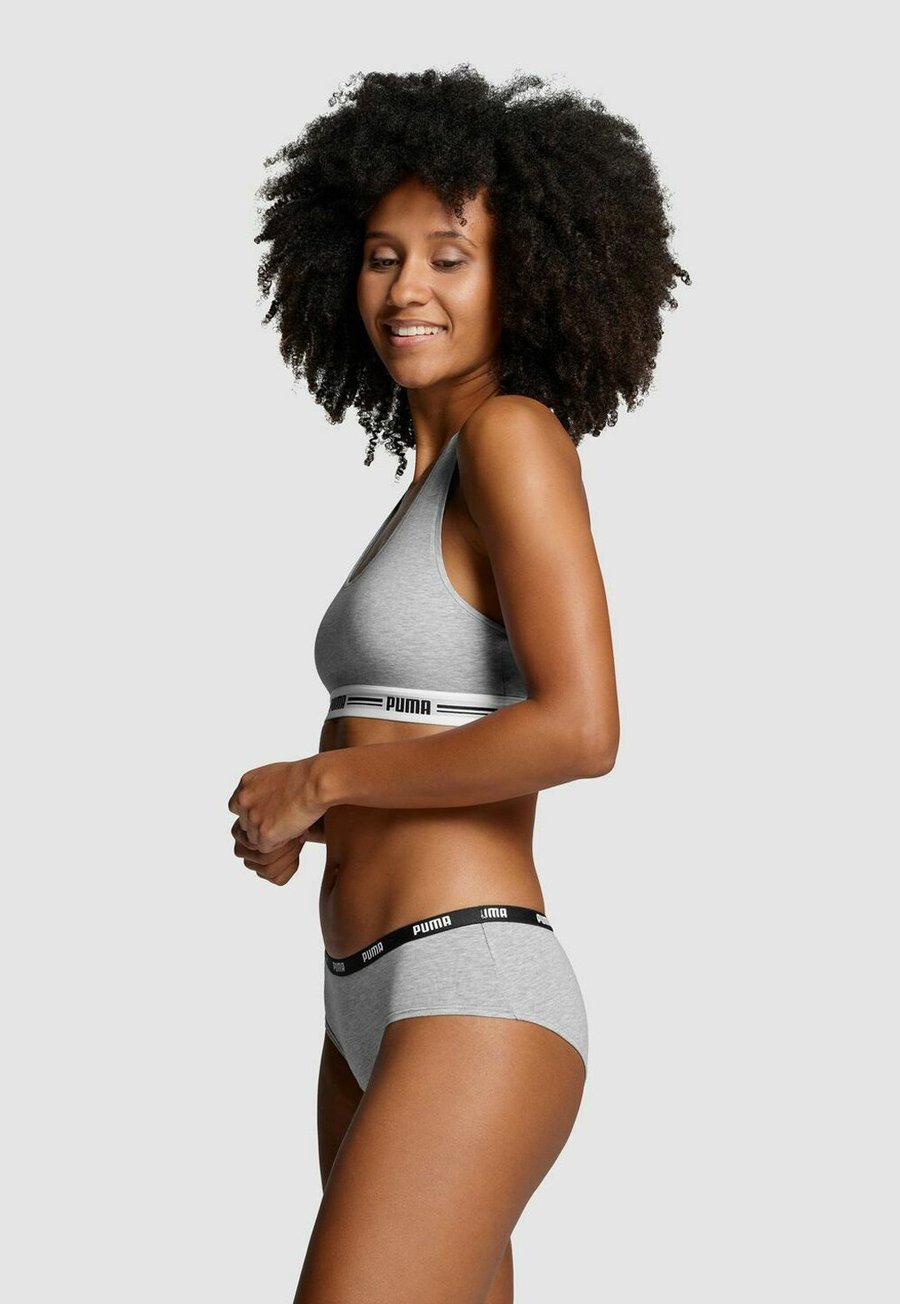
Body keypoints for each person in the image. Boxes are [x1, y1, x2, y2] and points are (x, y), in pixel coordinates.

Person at [228, 65, 690, 1304]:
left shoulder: (512, 436)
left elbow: (581, 727)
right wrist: (316, 815)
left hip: (466, 983)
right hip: (361, 1001)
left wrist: (325, 779)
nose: (406, 290)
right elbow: (434, 728)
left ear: (521, 275)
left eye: (449, 257)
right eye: (382, 257)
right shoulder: (427, 484)